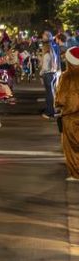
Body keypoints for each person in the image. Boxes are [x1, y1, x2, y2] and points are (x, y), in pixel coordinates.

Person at [56, 46, 79, 181]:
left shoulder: (66, 76)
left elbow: (61, 98)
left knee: (71, 145)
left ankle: (76, 173)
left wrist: (58, 105)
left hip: (70, 114)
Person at [39, 39, 60, 119]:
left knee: (49, 94)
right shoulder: (53, 55)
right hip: (53, 74)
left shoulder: (46, 55)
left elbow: (44, 68)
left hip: (47, 75)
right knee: (51, 94)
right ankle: (52, 111)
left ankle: (49, 112)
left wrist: (40, 73)